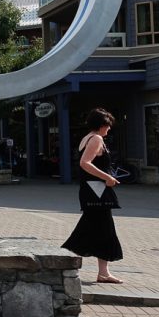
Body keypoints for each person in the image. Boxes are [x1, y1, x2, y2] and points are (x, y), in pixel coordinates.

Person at [62, 108, 124, 284]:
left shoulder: (87, 138)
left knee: (101, 229)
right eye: (107, 125)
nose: (109, 129)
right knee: (96, 229)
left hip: (92, 190)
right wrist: (108, 177)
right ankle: (60, 259)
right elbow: (85, 163)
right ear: (101, 125)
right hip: (96, 191)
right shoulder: (96, 138)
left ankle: (103, 272)